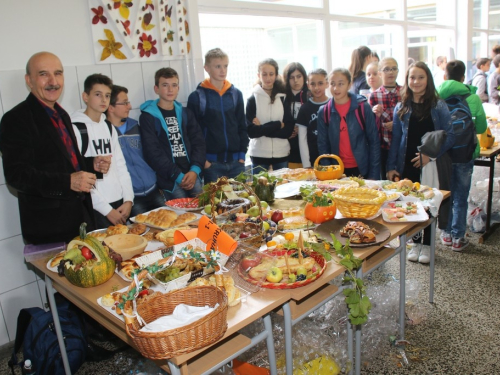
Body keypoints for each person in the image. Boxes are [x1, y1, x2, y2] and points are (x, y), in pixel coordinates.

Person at [0, 52, 110, 244]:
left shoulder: (61, 114)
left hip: (80, 220)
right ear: (29, 80)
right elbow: (17, 175)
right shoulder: (16, 119)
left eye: (58, 73)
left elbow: (66, 163)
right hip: (49, 228)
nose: (53, 81)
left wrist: (91, 164)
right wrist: (67, 182)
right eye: (44, 74)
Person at [387, 61, 455, 264]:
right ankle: (415, 242)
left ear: (428, 80)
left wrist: (430, 156)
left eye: (420, 77)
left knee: (428, 202)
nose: (416, 81)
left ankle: (427, 245)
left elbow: (450, 136)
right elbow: (396, 139)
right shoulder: (402, 106)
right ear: (407, 81)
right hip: (407, 163)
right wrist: (391, 166)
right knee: (410, 204)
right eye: (412, 77)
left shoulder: (438, 105)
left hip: (430, 163)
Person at [71, 74, 134, 229]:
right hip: (96, 207)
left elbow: (120, 165)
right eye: (98, 95)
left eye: (107, 95)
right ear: (85, 97)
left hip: (118, 201)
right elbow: (80, 176)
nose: (104, 100)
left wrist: (128, 199)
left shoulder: (108, 126)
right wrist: (107, 210)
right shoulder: (76, 128)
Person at [437, 60, 487, 251]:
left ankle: (445, 233)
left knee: (445, 194)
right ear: (463, 77)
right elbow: (481, 127)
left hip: (443, 155)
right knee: (460, 196)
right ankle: (458, 238)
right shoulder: (472, 98)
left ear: (444, 76)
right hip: (465, 154)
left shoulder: (436, 96)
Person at [140, 67, 205, 201]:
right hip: (170, 179)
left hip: (192, 174)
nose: (170, 90)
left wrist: (195, 170)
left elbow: (198, 142)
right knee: (181, 218)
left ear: (178, 88)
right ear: (156, 89)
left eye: (174, 85)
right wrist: (178, 176)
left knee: (203, 213)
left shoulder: (186, 113)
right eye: (165, 85)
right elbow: (152, 152)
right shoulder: (148, 117)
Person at [187, 48, 248, 184]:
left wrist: (242, 155)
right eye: (218, 66)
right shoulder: (197, 97)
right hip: (212, 165)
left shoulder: (236, 94)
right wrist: (204, 161)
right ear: (207, 68)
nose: (223, 70)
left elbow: (242, 126)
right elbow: (192, 134)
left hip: (237, 162)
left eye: (225, 66)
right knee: (216, 204)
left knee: (242, 202)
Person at [106, 85, 165, 216]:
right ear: (110, 107)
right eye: (125, 103)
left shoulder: (136, 127)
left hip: (153, 189)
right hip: (131, 198)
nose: (130, 106)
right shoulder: (105, 133)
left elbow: (152, 154)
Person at [317, 68, 380, 180]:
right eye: (332, 84)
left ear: (349, 84)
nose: (336, 88)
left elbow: (374, 142)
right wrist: (328, 175)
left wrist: (374, 175)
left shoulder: (362, 107)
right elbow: (323, 146)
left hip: (361, 169)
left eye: (341, 84)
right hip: (337, 171)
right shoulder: (324, 112)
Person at [246, 58, 294, 173]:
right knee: (258, 190)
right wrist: (277, 124)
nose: (268, 78)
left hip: (281, 153)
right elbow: (251, 132)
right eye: (264, 74)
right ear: (259, 75)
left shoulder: (283, 98)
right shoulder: (252, 99)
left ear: (276, 75)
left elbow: (287, 131)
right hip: (259, 153)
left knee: (283, 189)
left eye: (271, 74)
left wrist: (261, 128)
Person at [369, 57, 402, 179]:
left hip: (402, 145)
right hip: (383, 146)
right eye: (386, 69)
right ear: (380, 73)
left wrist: (397, 124)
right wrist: (374, 114)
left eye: (394, 69)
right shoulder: (374, 95)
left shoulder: (404, 92)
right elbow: (370, 125)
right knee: (386, 181)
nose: (391, 72)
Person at [296, 68, 329, 168]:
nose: (316, 88)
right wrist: (307, 165)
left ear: (327, 84)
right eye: (313, 84)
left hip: (334, 159)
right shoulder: (305, 109)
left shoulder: (333, 105)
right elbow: (302, 140)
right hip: (313, 160)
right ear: (308, 85)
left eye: (320, 83)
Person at [282, 62, 309, 169]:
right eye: (292, 77)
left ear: (304, 77)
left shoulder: (310, 95)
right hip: (287, 149)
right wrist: (287, 129)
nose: (296, 80)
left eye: (299, 76)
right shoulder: (282, 96)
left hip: (307, 147)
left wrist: (301, 127)